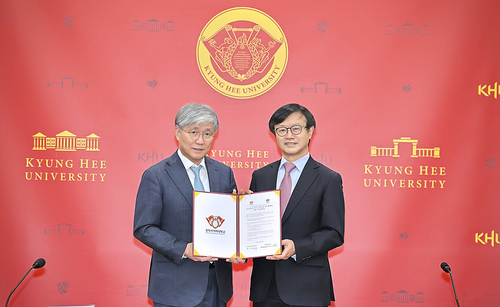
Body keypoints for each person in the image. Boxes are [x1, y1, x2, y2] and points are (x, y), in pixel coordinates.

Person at [133, 103, 244, 307]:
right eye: (193, 132)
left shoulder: (224, 173)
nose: (200, 140)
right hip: (175, 287)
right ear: (178, 132)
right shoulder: (156, 175)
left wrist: (241, 245)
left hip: (218, 286)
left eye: (207, 133)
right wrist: (184, 249)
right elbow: (144, 228)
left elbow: (232, 222)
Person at [249, 103, 345, 307]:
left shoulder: (328, 179)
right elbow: (253, 228)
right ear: (275, 134)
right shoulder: (260, 176)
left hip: (307, 287)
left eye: (296, 129)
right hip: (265, 288)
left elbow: (334, 233)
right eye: (281, 130)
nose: (289, 135)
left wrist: (297, 247)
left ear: (310, 131)